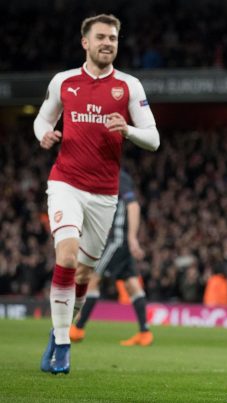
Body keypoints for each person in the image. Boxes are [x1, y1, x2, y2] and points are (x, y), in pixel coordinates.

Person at [34, 14, 159, 374]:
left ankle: (58, 328)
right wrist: (43, 134)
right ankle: (62, 342)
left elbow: (153, 138)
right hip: (65, 183)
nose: (108, 42)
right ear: (85, 42)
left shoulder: (129, 86)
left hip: (105, 194)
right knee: (68, 257)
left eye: (113, 38)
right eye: (101, 37)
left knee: (85, 274)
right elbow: (43, 119)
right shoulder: (64, 82)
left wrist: (128, 130)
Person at [69, 169, 153, 347]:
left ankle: (77, 329)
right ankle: (144, 333)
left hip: (117, 241)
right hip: (116, 240)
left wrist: (131, 238)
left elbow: (133, 205)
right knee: (132, 284)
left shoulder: (119, 176)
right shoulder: (105, 176)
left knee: (92, 278)